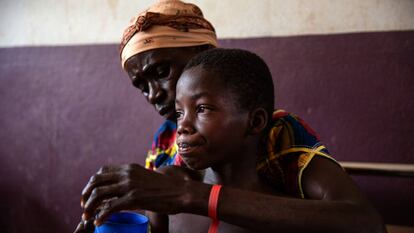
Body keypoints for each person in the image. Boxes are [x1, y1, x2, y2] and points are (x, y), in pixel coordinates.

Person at [75, 1, 385, 232]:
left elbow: (362, 222)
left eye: (162, 71)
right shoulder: (165, 142)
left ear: (203, 55)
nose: (154, 94)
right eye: (142, 86)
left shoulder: (277, 132)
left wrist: (193, 195)